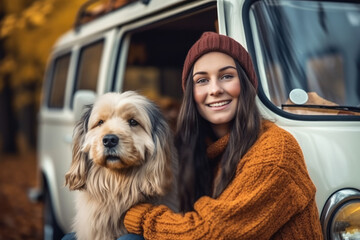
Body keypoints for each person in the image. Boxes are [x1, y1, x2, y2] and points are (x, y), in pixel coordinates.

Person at [121, 32, 323, 239]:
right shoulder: (198, 150)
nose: (215, 89)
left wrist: (139, 216)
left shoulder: (275, 151)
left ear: (246, 84)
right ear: (191, 93)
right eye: (202, 80)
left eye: (226, 76)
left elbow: (211, 233)